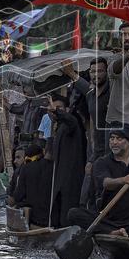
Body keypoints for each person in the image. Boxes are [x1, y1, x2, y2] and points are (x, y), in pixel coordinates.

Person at [45, 93, 85, 225]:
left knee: (67, 213)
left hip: (71, 178)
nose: (55, 111)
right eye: (52, 108)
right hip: (59, 178)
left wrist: (56, 111)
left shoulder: (71, 124)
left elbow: (71, 121)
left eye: (60, 108)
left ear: (67, 110)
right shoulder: (58, 127)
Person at [12, 143, 53, 227]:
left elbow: (18, 196)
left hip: (35, 219)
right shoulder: (53, 167)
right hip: (52, 219)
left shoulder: (26, 168)